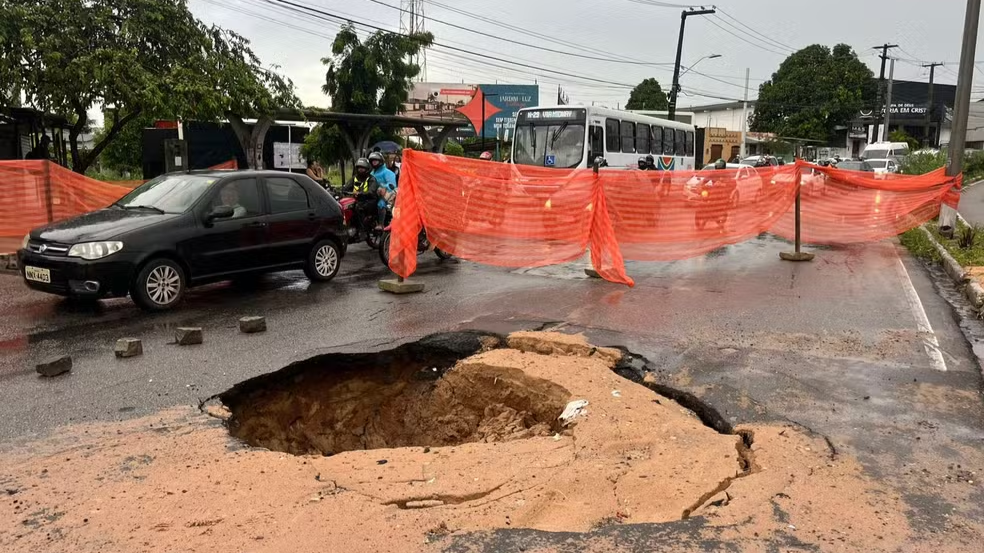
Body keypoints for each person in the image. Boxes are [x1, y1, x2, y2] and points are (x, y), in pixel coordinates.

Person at [342, 158, 383, 231]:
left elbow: (371, 191)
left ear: (367, 169)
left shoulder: (371, 179)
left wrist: (360, 193)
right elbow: (346, 188)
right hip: (356, 200)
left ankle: (362, 229)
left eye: (362, 168)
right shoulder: (354, 178)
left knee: (357, 208)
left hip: (369, 200)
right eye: (359, 168)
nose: (360, 170)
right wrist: (341, 191)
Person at [368, 152, 397, 228]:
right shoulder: (371, 173)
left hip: (387, 194)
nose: (374, 162)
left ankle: (381, 224)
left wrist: (384, 187)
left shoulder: (387, 172)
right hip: (374, 194)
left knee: (380, 204)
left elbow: (392, 185)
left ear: (380, 161)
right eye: (372, 161)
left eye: (376, 160)